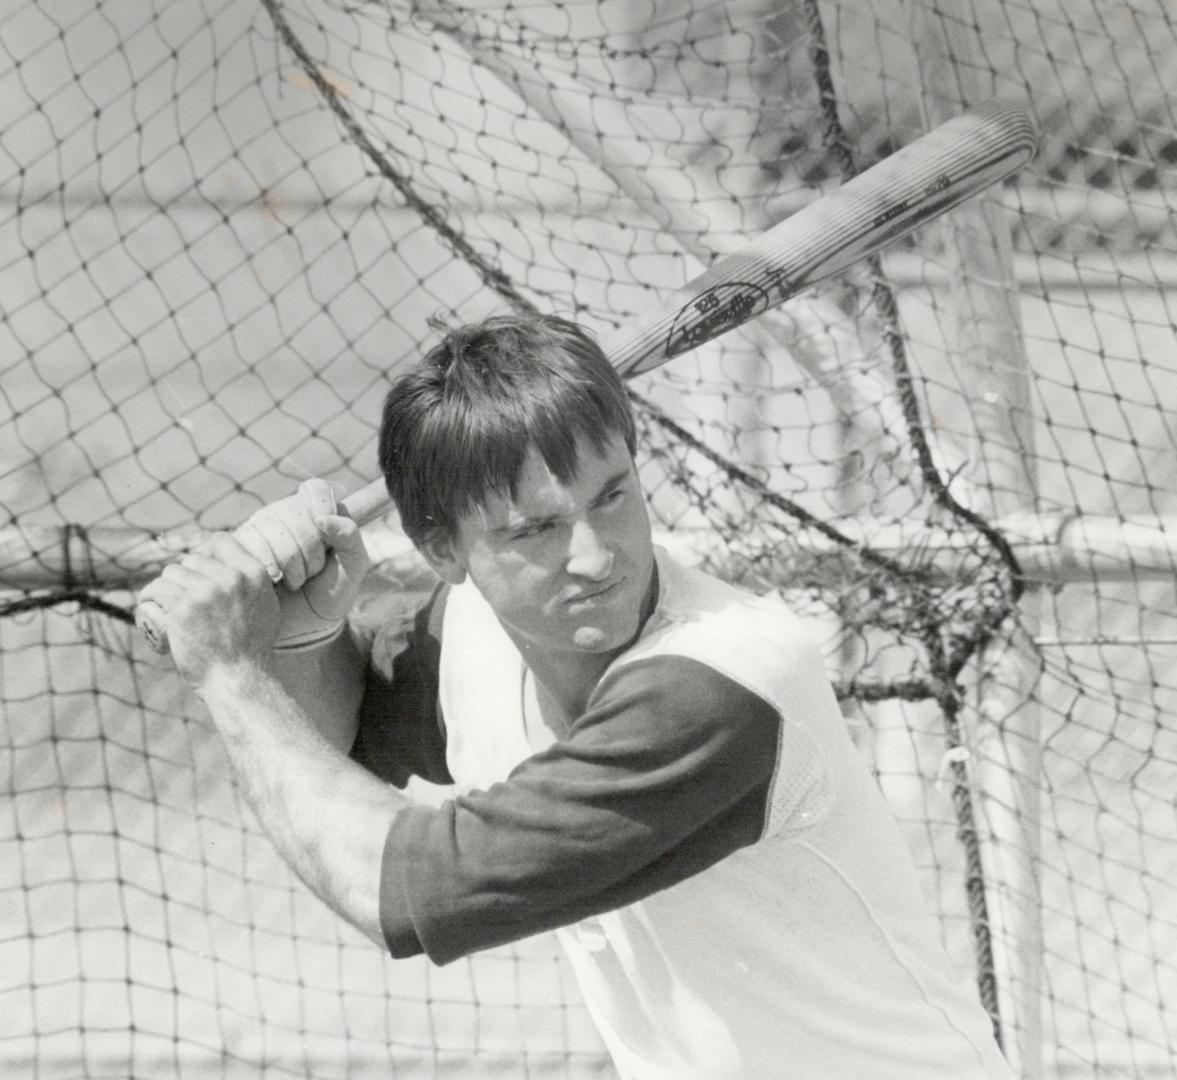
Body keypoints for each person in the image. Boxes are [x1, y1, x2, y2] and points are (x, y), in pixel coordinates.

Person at [140, 313, 1015, 1079]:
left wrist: (229, 666)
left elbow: (398, 891)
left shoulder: (715, 685)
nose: (595, 556)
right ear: (443, 550)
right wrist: (303, 634)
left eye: (613, 497)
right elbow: (334, 740)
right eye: (535, 530)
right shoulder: (473, 631)